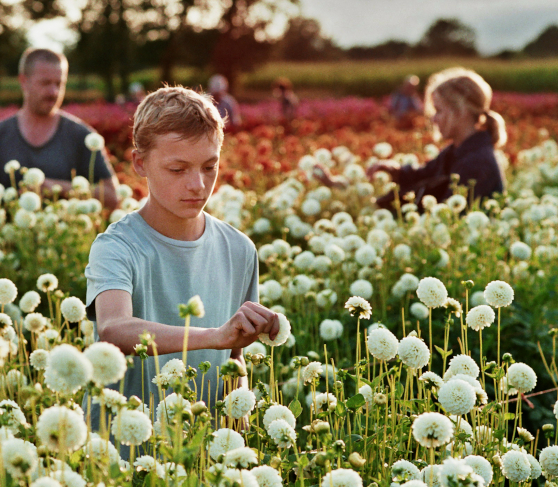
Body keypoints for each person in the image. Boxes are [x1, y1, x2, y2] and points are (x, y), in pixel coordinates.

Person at [85, 86, 280, 412]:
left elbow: (234, 357)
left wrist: (237, 415)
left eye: (209, 167)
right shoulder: (116, 246)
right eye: (177, 169)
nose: (198, 185)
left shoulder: (239, 249)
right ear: (140, 163)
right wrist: (215, 335)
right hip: (125, 449)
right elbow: (113, 329)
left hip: (204, 451)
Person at [0, 48, 119, 221]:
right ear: (23, 81)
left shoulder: (83, 136)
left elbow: (112, 195)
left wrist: (57, 187)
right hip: (11, 241)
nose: (54, 92)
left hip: (65, 241)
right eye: (45, 83)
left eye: (59, 84)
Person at [317, 67, 506, 211]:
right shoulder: (458, 152)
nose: (433, 118)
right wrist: (393, 171)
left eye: (439, 111)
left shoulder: (477, 163)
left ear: (461, 111)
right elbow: (423, 176)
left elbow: (448, 217)